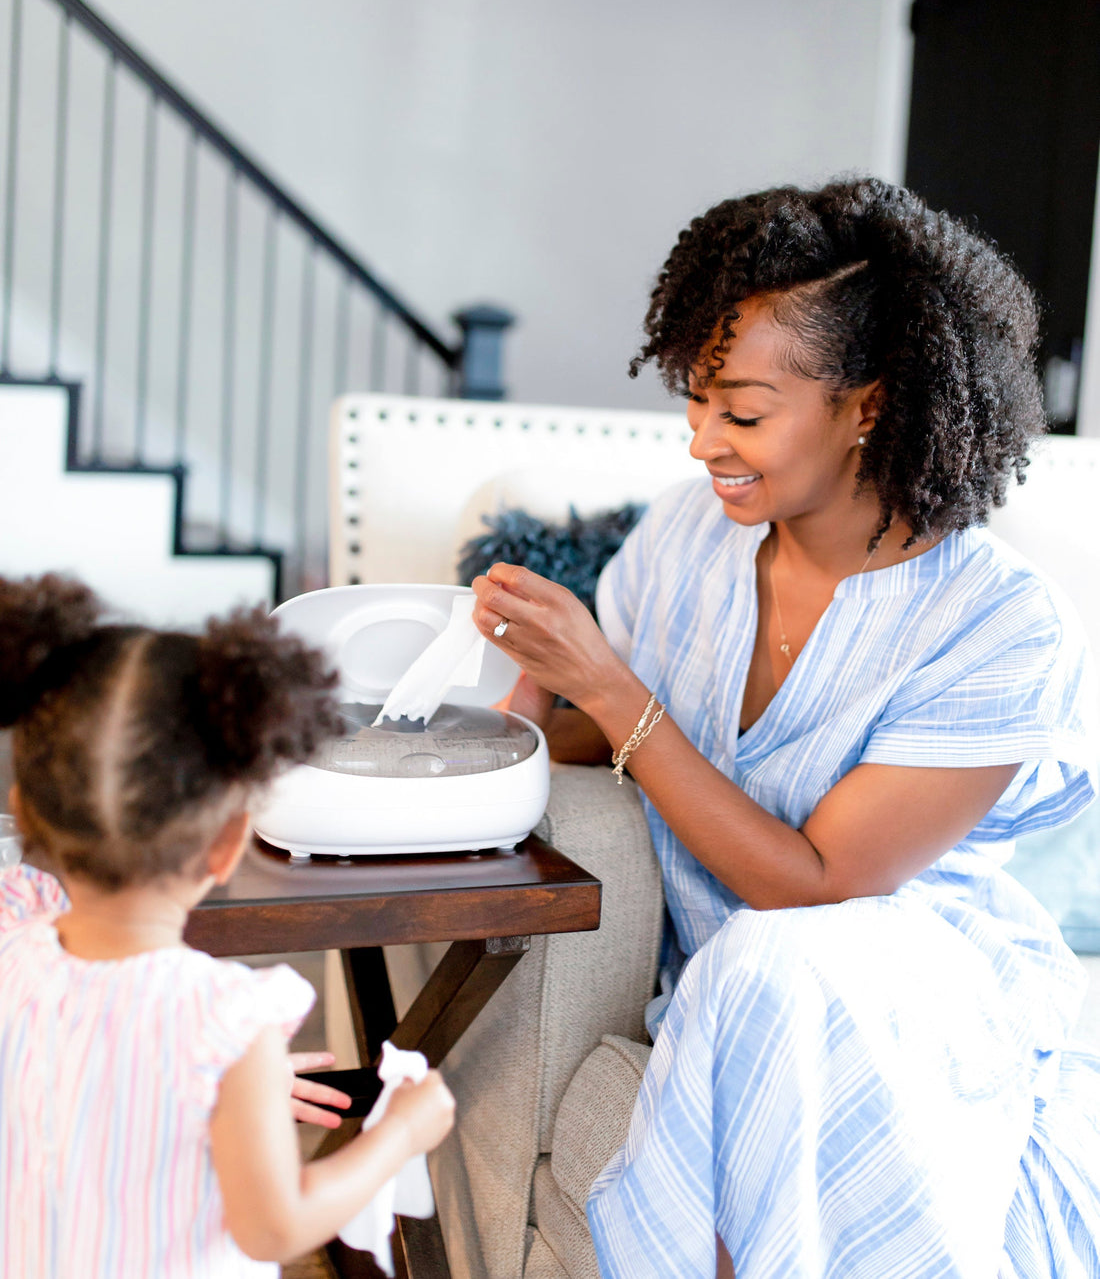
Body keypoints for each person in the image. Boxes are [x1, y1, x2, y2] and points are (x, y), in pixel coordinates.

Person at [469, 178, 1100, 1278]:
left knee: (772, 962)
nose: (700, 441)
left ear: (866, 404)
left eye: (742, 412)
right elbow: (600, 734)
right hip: (729, 983)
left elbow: (817, 887)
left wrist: (612, 691)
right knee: (751, 974)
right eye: (695, 401)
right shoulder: (683, 537)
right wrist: (522, 702)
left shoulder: (997, 622)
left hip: (895, 987)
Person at [0, 575, 455, 1277]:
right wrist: (398, 1134)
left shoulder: (10, 942)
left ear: (24, 812)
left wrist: (226, 1091)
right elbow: (276, 1225)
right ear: (229, 841)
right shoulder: (223, 1019)